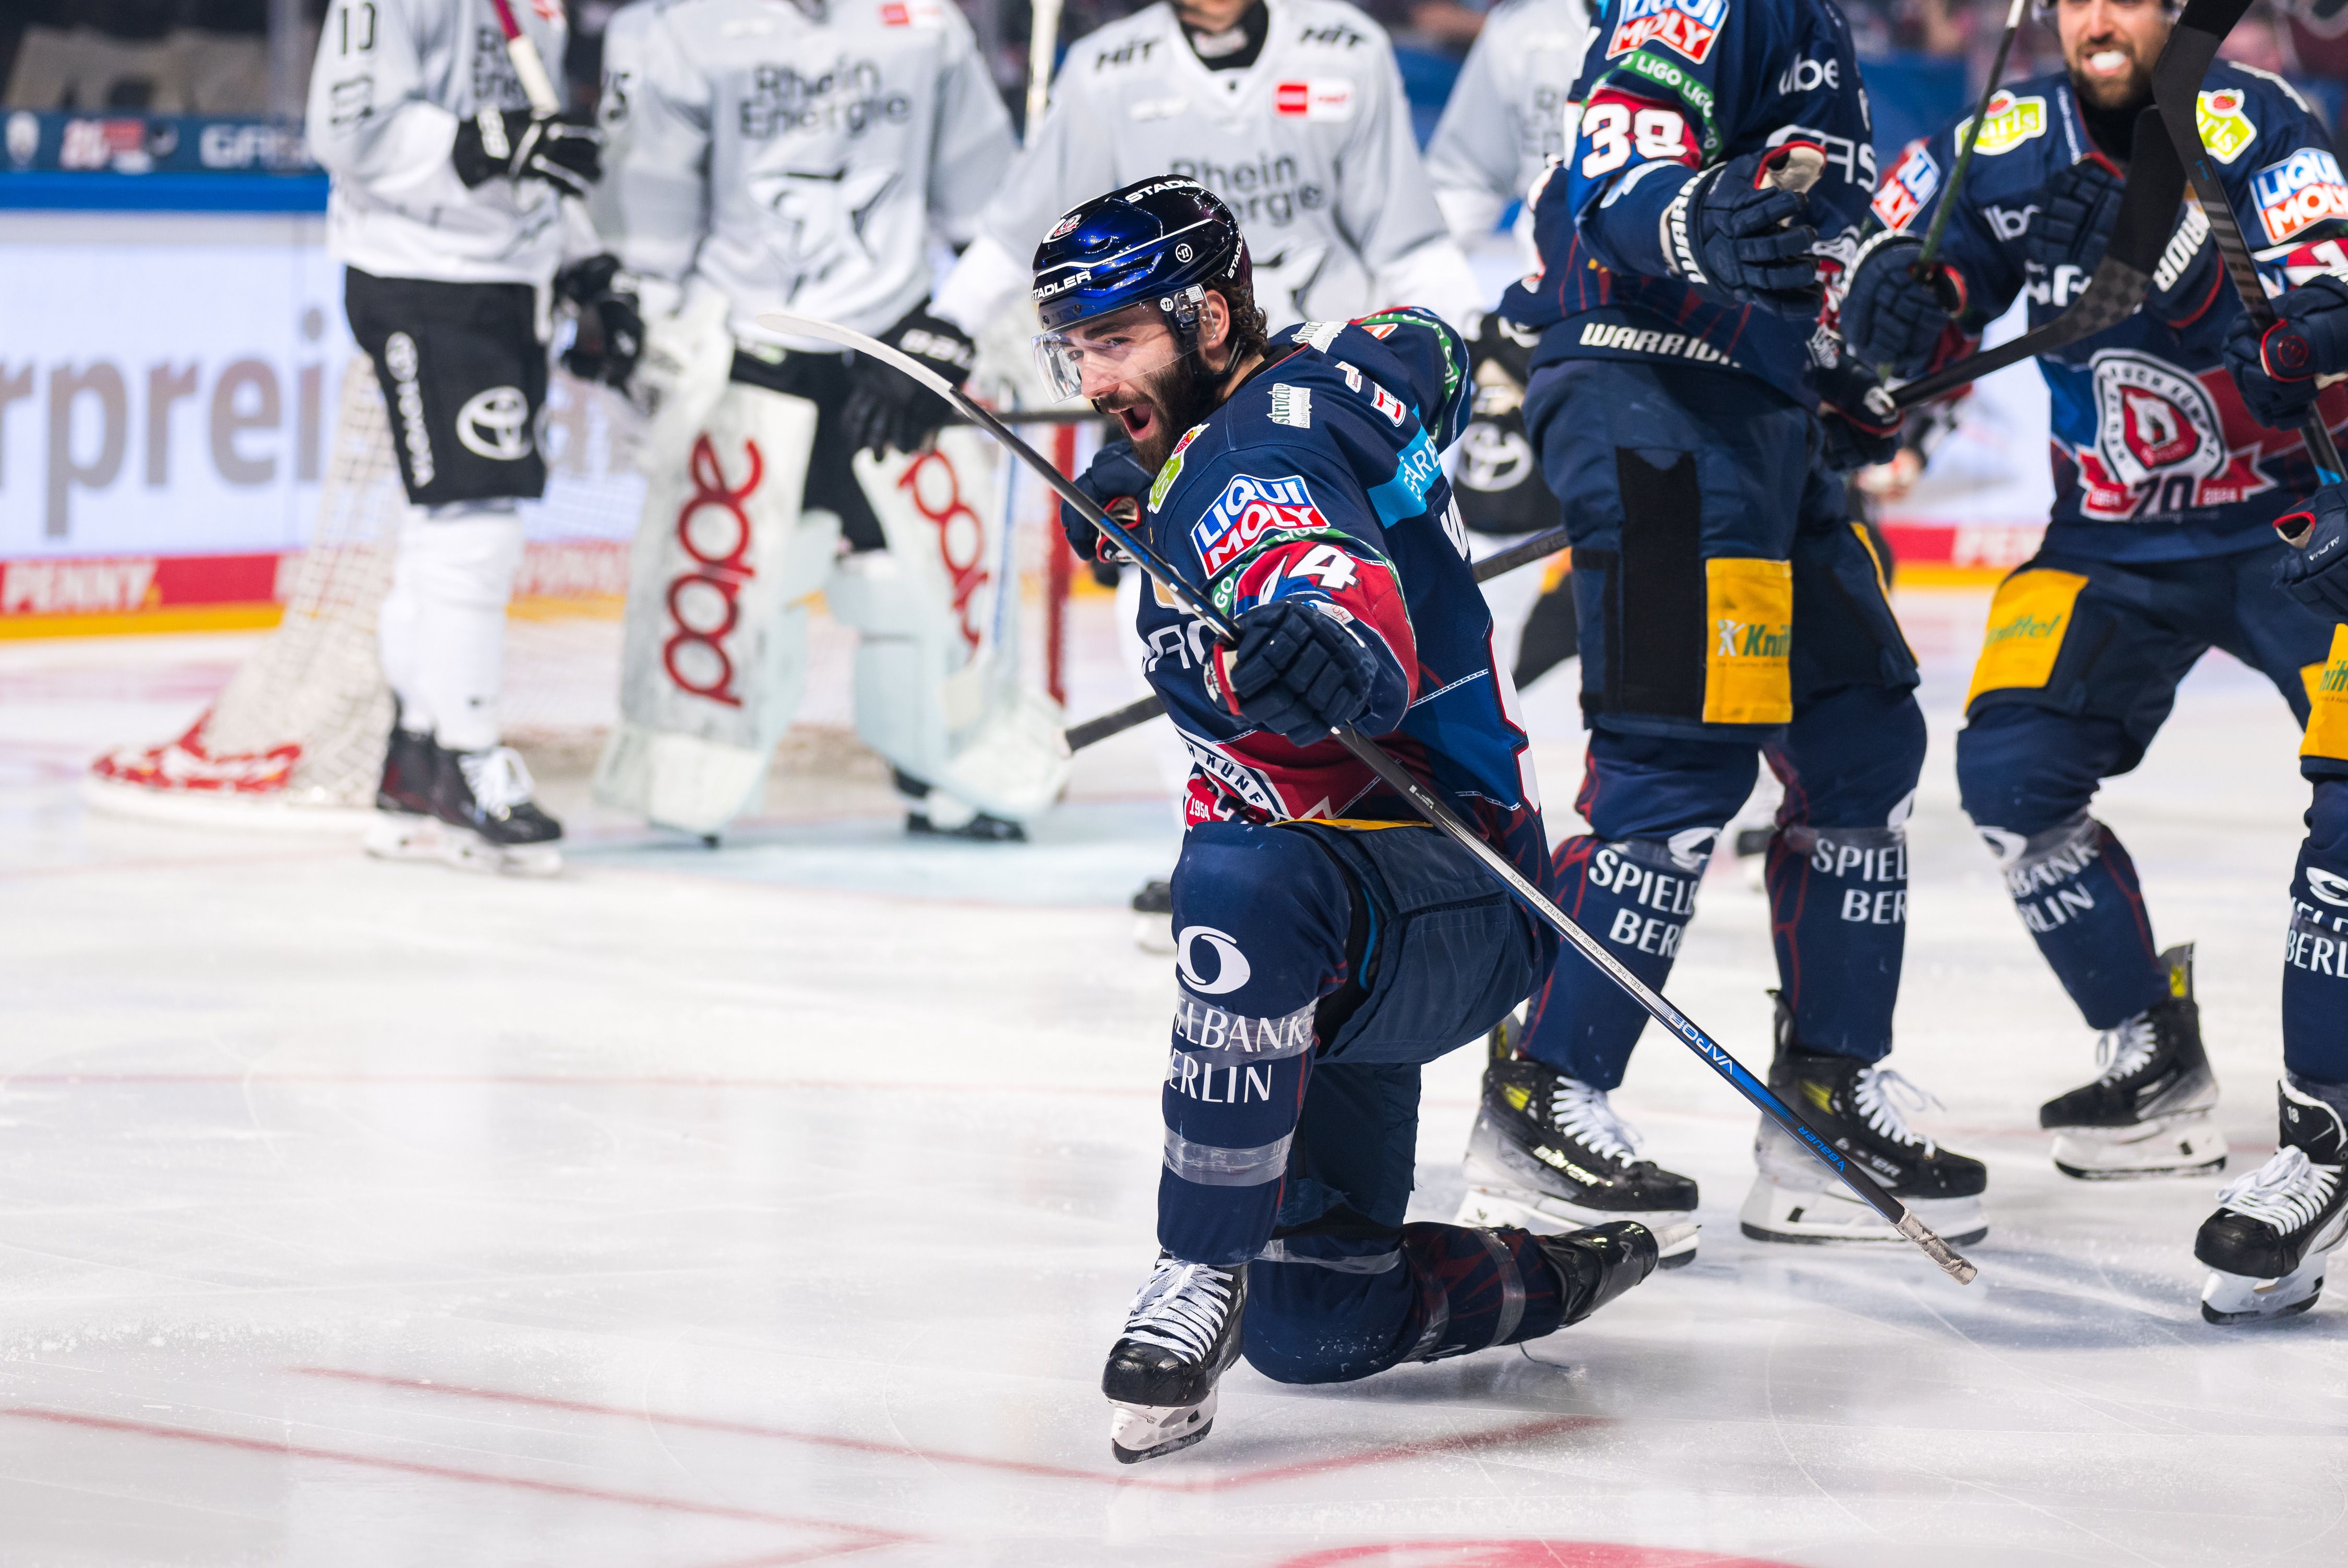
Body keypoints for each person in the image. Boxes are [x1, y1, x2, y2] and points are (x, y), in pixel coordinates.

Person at [1036, 177, 1682, 1464]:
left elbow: (1321, 578)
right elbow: (1426, 346)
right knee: (1320, 1330)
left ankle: (1193, 1271)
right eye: (1077, 350)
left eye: (1116, 344)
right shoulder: (1309, 382)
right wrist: (1147, 459)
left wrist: (1327, 645)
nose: (1091, 377)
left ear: (1209, 316)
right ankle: (1552, 1271)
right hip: (1364, 929)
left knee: (1233, 876)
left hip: (1432, 900)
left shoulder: (1252, 463)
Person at [1461, 0, 1982, 1254]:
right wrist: (1689, 219)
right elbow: (1619, 166)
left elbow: (1811, 240)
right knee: (1678, 759)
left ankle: (1826, 1102)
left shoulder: (1818, 26)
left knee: (1861, 740)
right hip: (1655, 397)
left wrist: (1873, 335)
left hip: (1756, 411)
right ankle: (1544, 1099)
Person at [1839, 0, 2348, 1243]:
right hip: (2108, 541)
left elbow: (2331, 299)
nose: (2096, 18)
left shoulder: (2256, 121)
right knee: (2010, 769)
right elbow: (1885, 295)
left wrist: (2208, 286)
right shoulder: (2004, 136)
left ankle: (2325, 1124)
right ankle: (2152, 1057)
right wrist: (1899, 310)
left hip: (2289, 527)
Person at [580, 0, 1063, 841]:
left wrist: (969, 322)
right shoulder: (685, 28)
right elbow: (649, 217)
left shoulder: (926, 24)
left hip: (898, 351)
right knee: (726, 580)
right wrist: (643, 327)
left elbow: (986, 205)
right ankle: (691, 770)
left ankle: (949, 761)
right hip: (750, 349)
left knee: (936, 576)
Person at [307, 0, 596, 874]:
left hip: (508, 274)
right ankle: (470, 759)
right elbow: (346, 125)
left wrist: (587, 260)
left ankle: (419, 759)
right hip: (419, 273)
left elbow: (535, 147)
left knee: (445, 523)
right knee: (476, 517)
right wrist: (480, 141)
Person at [1422, 0, 1598, 689]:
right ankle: (1473, 772)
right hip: (1540, 335)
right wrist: (1461, 319)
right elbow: (1458, 183)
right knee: (1490, 567)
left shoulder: (1730, 19)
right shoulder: (1524, 31)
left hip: (1671, 339)